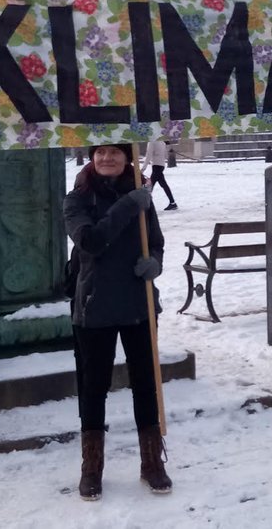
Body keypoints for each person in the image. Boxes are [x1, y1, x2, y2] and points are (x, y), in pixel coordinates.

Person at [63, 143, 172, 500]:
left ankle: (151, 461)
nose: (107, 158)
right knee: (93, 388)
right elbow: (91, 242)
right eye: (100, 152)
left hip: (138, 305)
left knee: (146, 383)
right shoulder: (77, 200)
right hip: (94, 307)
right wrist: (128, 205)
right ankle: (91, 466)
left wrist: (154, 263)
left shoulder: (141, 196)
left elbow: (155, 242)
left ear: (128, 157)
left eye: (115, 152)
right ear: (92, 157)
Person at [142, 139, 177, 210]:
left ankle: (144, 205)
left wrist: (143, 169)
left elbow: (148, 155)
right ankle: (172, 203)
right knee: (163, 185)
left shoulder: (152, 142)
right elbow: (165, 155)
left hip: (156, 166)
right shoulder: (162, 142)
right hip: (161, 165)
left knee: (150, 186)